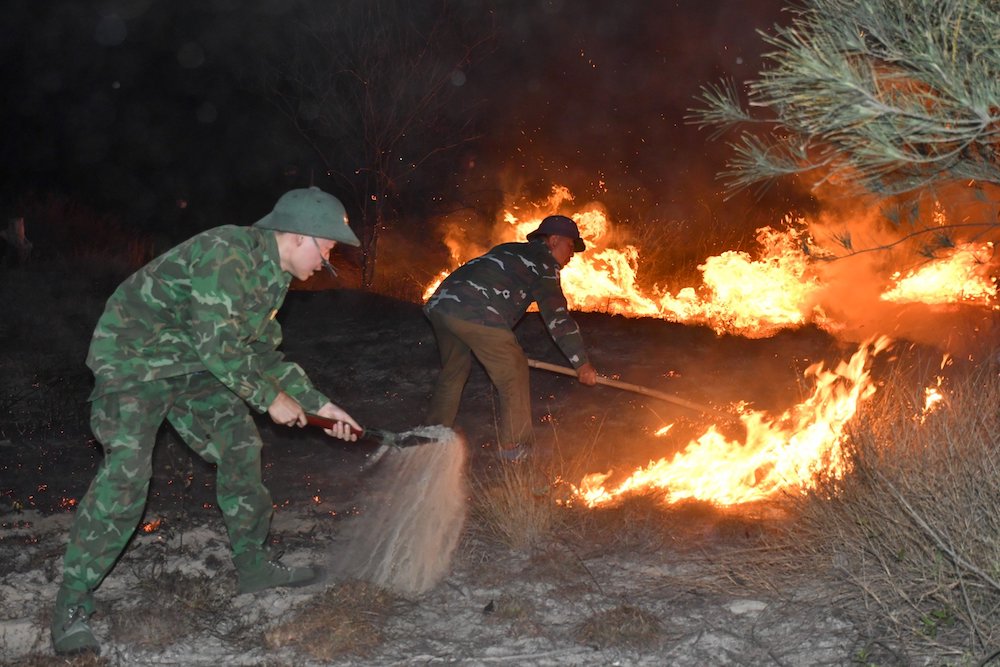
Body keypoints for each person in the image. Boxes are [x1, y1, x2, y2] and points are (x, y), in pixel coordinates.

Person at [51, 186, 363, 656]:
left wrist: (319, 404)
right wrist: (268, 398)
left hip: (194, 366)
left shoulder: (273, 277)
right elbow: (219, 346)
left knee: (241, 446)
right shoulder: (226, 251)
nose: (328, 261)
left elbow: (259, 354)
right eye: (329, 249)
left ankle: (253, 566)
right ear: (300, 236)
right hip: (134, 360)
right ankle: (72, 601)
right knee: (129, 470)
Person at [424, 214, 598, 459]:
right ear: (554, 240)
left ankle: (433, 433)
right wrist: (582, 364)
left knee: (454, 369)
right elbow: (557, 318)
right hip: (477, 311)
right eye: (571, 246)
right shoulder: (544, 263)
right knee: (513, 370)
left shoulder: (511, 249)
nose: (572, 254)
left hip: (442, 306)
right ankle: (515, 447)